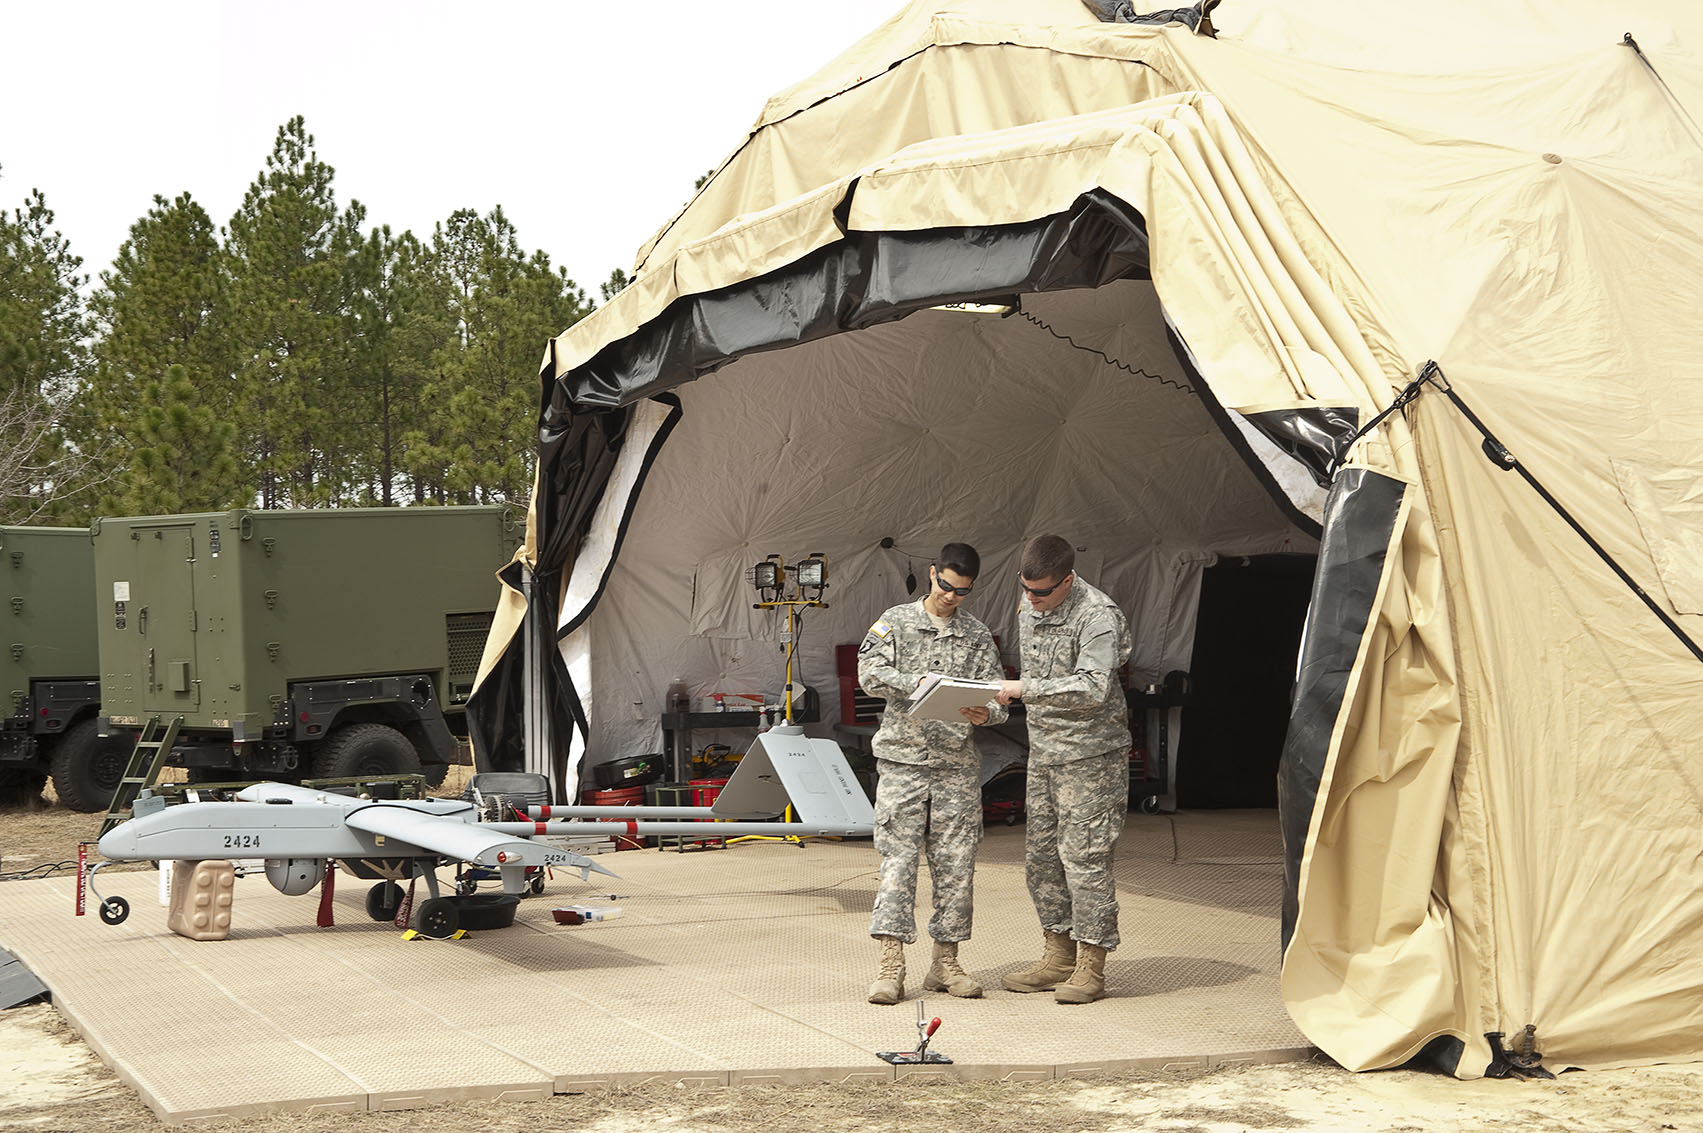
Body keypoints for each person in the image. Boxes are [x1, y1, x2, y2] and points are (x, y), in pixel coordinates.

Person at [857, 542, 1008, 1004]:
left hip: (955, 768)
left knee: (957, 866)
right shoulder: (896, 621)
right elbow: (868, 672)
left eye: (961, 591)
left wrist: (987, 714)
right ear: (931, 573)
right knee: (898, 863)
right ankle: (891, 965)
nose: (950, 596)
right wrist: (915, 683)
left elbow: (997, 697)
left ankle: (946, 963)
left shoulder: (976, 635)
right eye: (945, 585)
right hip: (903, 763)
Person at [995, 534, 1132, 1004]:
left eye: (1042, 591)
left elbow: (1094, 688)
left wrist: (1024, 689)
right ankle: (1058, 956)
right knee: (1042, 861)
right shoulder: (1031, 602)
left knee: (1086, 860)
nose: (1031, 599)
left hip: (1091, 759)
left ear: (1068, 581)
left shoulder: (1097, 615)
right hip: (1045, 754)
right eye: (1025, 588)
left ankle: (1091, 966)